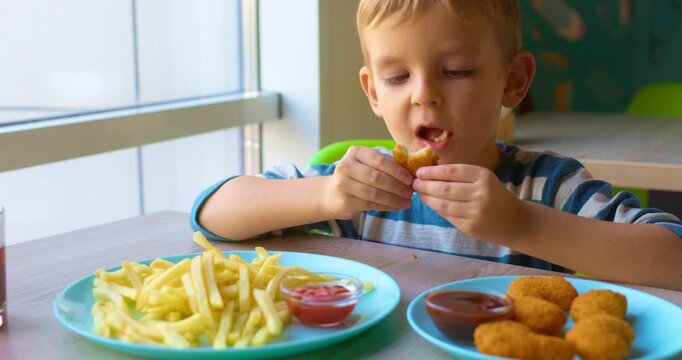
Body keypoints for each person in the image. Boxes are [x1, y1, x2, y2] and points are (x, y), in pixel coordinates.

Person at [191, 0, 682, 291]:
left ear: (512, 82)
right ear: (373, 94)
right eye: (398, 76)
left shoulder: (548, 186)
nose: (424, 93)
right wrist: (325, 197)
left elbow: (673, 259)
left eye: (456, 72)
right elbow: (212, 213)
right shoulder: (361, 196)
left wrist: (520, 222)